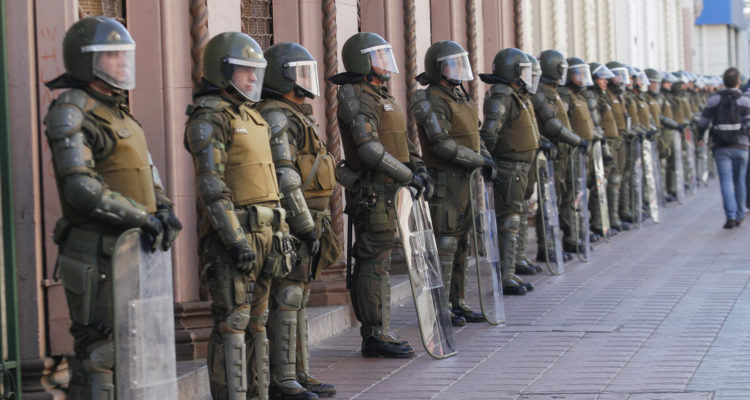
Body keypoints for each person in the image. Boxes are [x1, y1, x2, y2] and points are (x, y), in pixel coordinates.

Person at [43, 17, 182, 398]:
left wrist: (165, 209)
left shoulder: (119, 110)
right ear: (86, 61)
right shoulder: (71, 111)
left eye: (124, 55)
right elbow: (81, 188)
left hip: (134, 250)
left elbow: (147, 170)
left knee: (135, 347)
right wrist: (142, 216)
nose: (122, 64)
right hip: (96, 251)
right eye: (111, 56)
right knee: (100, 353)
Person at [184, 32, 296, 400]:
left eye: (255, 71)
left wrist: (284, 229)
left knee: (259, 323)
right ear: (222, 70)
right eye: (244, 71)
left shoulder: (253, 114)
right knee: (233, 322)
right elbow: (212, 186)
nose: (252, 78)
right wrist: (233, 239)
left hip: (268, 236)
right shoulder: (209, 117)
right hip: (236, 238)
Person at [330, 32, 430, 357]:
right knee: (373, 262)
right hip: (374, 190)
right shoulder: (355, 96)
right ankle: (374, 333)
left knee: (382, 261)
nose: (386, 63)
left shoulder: (381, 94)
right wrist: (407, 176)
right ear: (362, 61)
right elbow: (370, 150)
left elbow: (401, 140)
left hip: (392, 189)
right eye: (378, 56)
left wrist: (419, 169)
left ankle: (382, 329)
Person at [256, 42, 340, 399]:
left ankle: (300, 372)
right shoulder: (277, 114)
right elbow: (285, 174)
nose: (306, 79)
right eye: (298, 72)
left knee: (300, 296)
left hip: (313, 216)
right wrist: (303, 223)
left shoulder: (296, 112)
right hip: (293, 220)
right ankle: (284, 379)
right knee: (288, 296)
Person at [411, 40, 490, 324]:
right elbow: (442, 143)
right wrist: (480, 161)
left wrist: (486, 157)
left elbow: (475, 136)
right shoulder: (431, 98)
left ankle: (458, 302)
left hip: (465, 180)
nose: (459, 70)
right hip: (444, 179)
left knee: (461, 241)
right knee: (445, 242)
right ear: (438, 68)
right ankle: (439, 305)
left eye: (461, 63)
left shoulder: (460, 96)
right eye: (452, 64)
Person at [478, 48, 540, 295]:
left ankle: (512, 269)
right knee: (510, 221)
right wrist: (489, 160)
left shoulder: (518, 94)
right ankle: (506, 276)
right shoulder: (502, 95)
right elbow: (490, 132)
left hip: (522, 166)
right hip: (509, 166)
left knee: (518, 215)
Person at [534, 50, 588, 256]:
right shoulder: (542, 92)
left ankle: (561, 241)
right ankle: (546, 247)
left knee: (564, 198)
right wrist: (577, 140)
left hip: (563, 154)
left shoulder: (553, 91)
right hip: (552, 156)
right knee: (549, 200)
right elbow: (553, 125)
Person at [697, 67, 750, 228]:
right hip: (741, 146)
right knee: (740, 180)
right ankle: (741, 214)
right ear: (738, 82)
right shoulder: (745, 100)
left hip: (721, 146)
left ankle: (730, 216)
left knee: (726, 182)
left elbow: (703, 121)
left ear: (723, 82)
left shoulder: (714, 99)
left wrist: (700, 137)